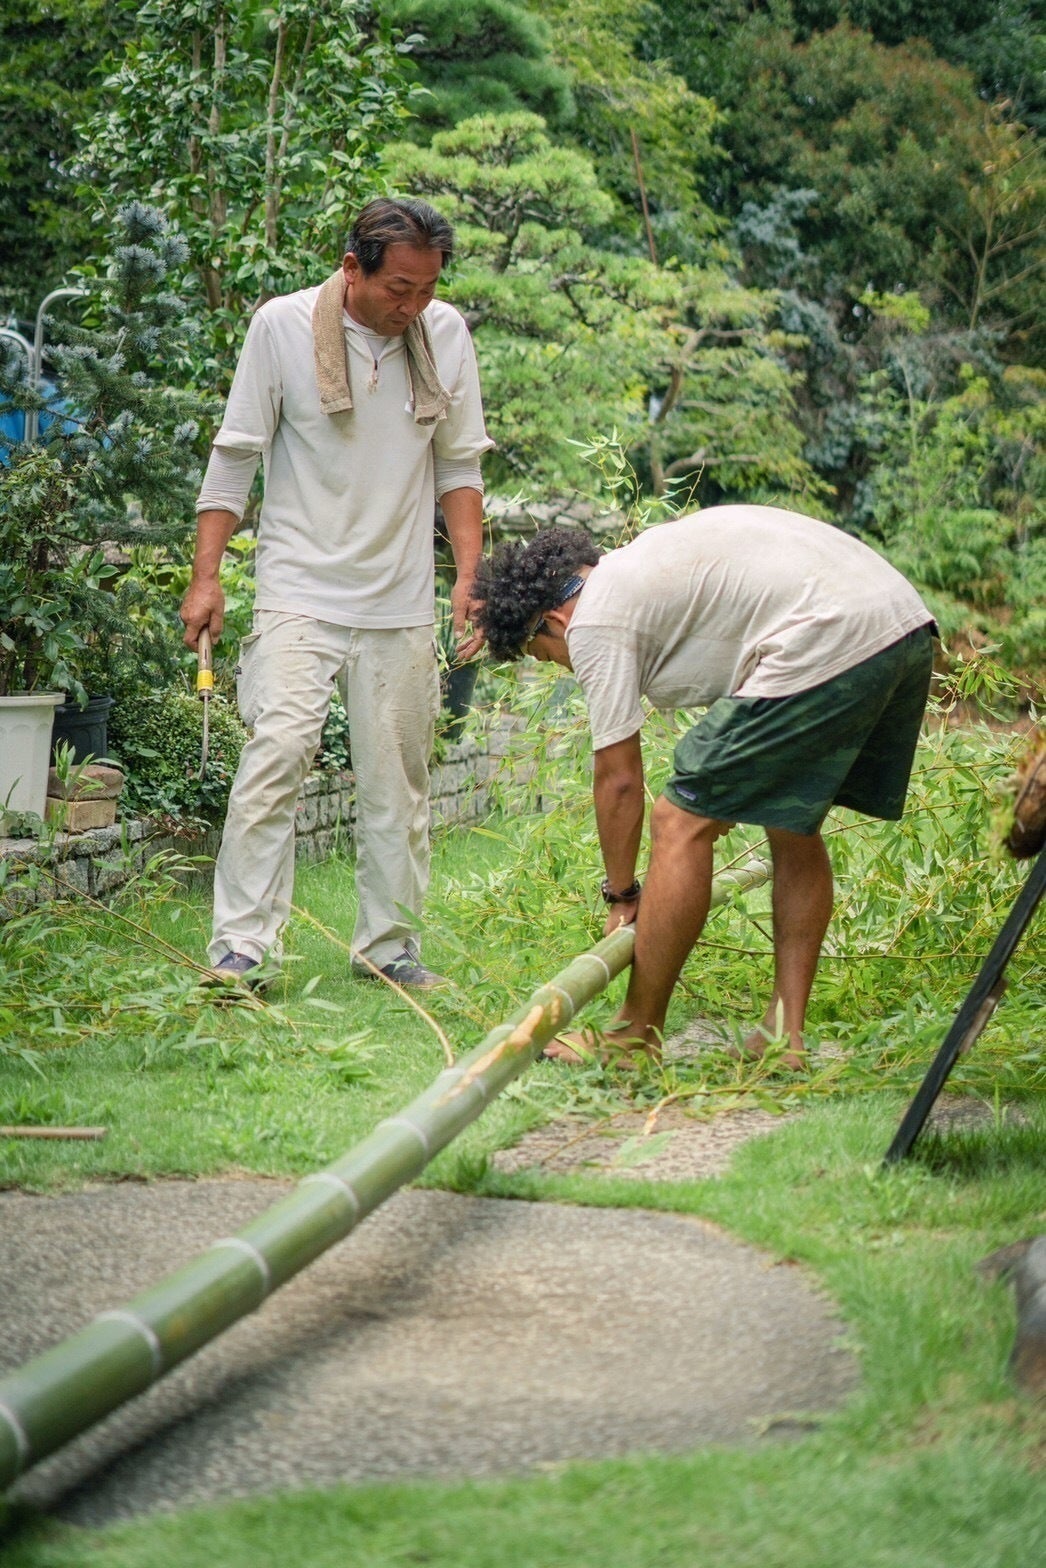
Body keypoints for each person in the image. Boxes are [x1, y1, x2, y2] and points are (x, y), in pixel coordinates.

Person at [473, 505, 936, 1067]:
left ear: (551, 621)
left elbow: (619, 780)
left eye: (541, 654)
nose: (559, 667)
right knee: (789, 819)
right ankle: (783, 1037)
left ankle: (634, 1036)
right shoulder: (641, 570)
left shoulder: (594, 621)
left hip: (832, 632)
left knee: (679, 821)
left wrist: (622, 895)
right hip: (903, 624)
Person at [180, 197, 493, 991]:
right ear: (352, 268)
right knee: (276, 755)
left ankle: (387, 948)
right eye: (399, 288)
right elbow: (236, 454)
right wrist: (207, 577)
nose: (413, 306)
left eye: (427, 289)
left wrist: (468, 578)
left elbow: (458, 468)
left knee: (398, 780)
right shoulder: (281, 327)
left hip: (398, 598)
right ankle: (241, 948)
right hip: (299, 588)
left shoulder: (444, 335)